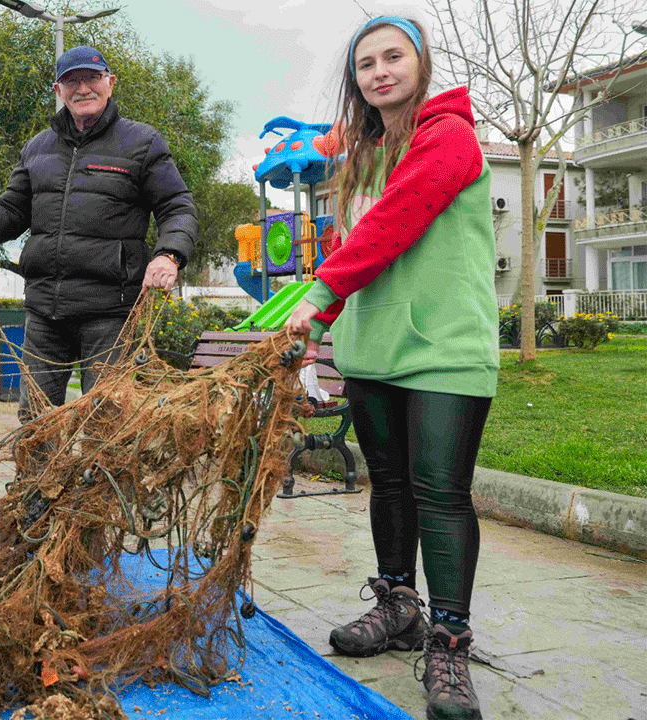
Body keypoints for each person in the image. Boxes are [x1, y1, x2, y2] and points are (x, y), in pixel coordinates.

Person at [286, 16, 497, 720]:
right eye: (366, 62)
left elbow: (393, 224)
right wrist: (322, 326)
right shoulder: (364, 156)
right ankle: (398, 605)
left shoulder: (449, 137)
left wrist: (318, 301)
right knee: (392, 485)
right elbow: (349, 242)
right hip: (374, 350)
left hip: (445, 351)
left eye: (393, 56)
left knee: (440, 492)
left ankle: (450, 640)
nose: (379, 71)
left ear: (421, 61)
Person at [0, 45, 197, 419]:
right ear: (59, 91)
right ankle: (35, 481)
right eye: (71, 81)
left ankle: (102, 481)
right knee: (35, 420)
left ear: (110, 83)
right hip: (44, 311)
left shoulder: (142, 142)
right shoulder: (38, 147)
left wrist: (169, 254)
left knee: (107, 420)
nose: (83, 88)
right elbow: (10, 210)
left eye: (92, 78)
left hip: (109, 311)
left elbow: (177, 207)